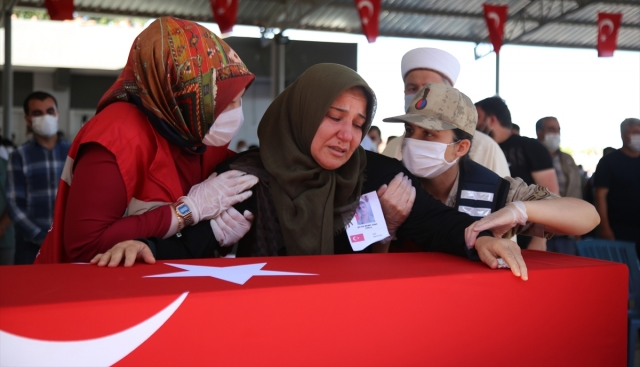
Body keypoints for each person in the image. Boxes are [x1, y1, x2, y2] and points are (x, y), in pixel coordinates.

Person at [92, 64, 530, 280]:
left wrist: (481, 237)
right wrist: (142, 246)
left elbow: (437, 223)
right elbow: (194, 246)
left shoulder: (372, 171)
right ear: (300, 114)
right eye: (333, 117)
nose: (346, 135)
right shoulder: (248, 179)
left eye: (359, 124)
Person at [35, 17, 259, 263]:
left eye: (239, 100)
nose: (236, 114)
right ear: (183, 92)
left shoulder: (198, 135)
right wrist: (186, 211)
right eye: (228, 102)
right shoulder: (116, 136)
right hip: (90, 289)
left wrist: (212, 235)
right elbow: (85, 245)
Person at [383, 84, 598, 251]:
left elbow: (587, 217)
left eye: (428, 133)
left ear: (461, 147)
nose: (412, 141)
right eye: (410, 130)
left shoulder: (495, 192)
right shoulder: (386, 184)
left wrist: (518, 210)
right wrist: (384, 231)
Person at [382, 47, 511, 178]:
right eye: (412, 88)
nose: (420, 95)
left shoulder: (486, 148)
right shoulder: (393, 147)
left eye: (430, 88)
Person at [475, 96, 559, 251]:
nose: (473, 122)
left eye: (477, 117)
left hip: (526, 236)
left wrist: (539, 239)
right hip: (484, 235)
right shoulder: (475, 149)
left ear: (492, 120)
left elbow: (551, 195)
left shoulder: (531, 148)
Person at [6, 91, 71, 264]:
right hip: (30, 248)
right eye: (38, 113)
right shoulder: (19, 156)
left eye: (50, 111)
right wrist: (42, 238)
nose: (46, 117)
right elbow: (14, 206)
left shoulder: (74, 152)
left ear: (57, 114)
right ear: (28, 119)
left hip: (69, 245)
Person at [536, 116, 582, 254]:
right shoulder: (532, 156)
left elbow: (576, 191)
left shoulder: (567, 159)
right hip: (539, 231)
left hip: (567, 231)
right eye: (551, 129)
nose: (555, 133)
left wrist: (578, 225)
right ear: (539, 132)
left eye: (558, 130)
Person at [593, 118, 640, 256]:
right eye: (636, 132)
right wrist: (605, 228)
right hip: (619, 228)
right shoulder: (609, 162)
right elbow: (600, 196)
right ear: (624, 135)